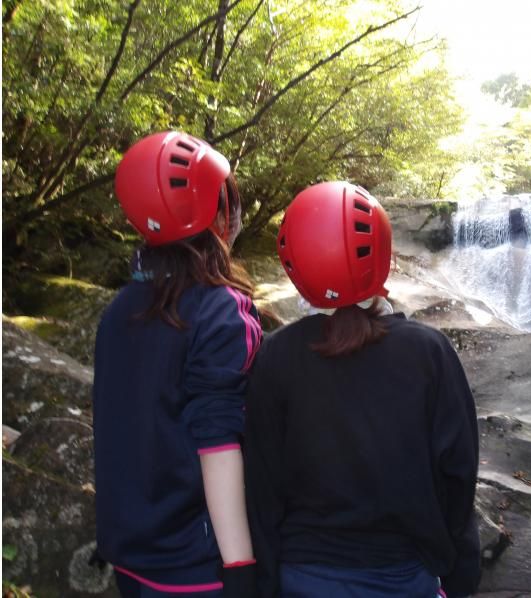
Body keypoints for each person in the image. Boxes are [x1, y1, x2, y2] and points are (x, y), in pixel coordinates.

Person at [243, 181, 481, 597]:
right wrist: (460, 575)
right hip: (404, 576)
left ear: (293, 262)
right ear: (382, 253)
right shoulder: (429, 352)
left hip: (301, 575)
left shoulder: (274, 356)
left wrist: (263, 583)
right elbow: (458, 477)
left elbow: (262, 487)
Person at [93, 131, 263, 597]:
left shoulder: (121, 307)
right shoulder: (222, 309)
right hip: (194, 562)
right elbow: (219, 444)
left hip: (129, 549)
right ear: (217, 213)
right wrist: (240, 564)